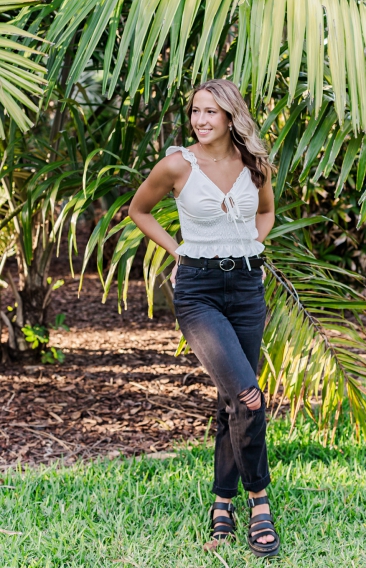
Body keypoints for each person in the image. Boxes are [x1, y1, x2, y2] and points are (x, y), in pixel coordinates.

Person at [128, 79, 280, 557]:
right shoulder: (178, 164)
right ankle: (259, 502)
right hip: (198, 291)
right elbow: (140, 210)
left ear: (231, 116)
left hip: (248, 289)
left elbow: (269, 213)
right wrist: (178, 251)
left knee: (232, 404)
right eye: (195, 111)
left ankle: (221, 503)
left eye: (211, 112)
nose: (200, 120)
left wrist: (251, 245)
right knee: (249, 397)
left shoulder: (255, 165)